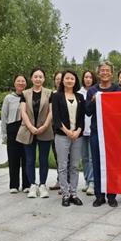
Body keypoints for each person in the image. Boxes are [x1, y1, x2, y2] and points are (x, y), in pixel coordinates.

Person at [86, 61, 121, 207]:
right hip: (96, 132)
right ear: (98, 73)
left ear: (112, 73)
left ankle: (112, 195)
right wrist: (93, 101)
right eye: (102, 70)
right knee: (96, 163)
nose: (105, 73)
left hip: (112, 133)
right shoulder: (92, 90)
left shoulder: (117, 89)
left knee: (112, 164)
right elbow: (87, 112)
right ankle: (99, 195)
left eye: (107, 70)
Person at [17, 68, 54, 199]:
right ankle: (32, 185)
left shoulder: (49, 93)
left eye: (40, 77)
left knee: (43, 159)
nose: (38, 79)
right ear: (31, 78)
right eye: (35, 76)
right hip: (28, 130)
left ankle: (42, 185)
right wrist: (31, 127)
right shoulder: (25, 93)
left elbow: (51, 112)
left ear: (44, 79)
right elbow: (23, 112)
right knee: (30, 159)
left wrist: (44, 126)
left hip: (45, 130)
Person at [51, 70, 86, 207]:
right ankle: (65, 194)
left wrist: (78, 131)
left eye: (72, 78)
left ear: (75, 81)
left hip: (77, 136)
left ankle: (73, 193)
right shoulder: (56, 96)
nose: (69, 80)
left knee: (75, 166)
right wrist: (67, 131)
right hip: (62, 135)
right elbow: (56, 118)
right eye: (67, 78)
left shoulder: (80, 97)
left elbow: (82, 118)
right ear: (62, 81)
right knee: (62, 165)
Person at [1, 74, 30, 193]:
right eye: (18, 81)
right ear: (14, 83)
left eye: (23, 81)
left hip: (25, 128)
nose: (21, 83)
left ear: (26, 83)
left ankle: (27, 185)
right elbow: (4, 116)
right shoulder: (8, 98)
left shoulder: (28, 96)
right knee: (13, 158)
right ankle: (14, 185)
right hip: (12, 129)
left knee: (26, 157)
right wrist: (4, 133)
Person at [78, 70, 96, 195]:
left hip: (92, 128)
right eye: (86, 77)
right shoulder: (79, 93)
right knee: (84, 157)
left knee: (91, 157)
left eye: (90, 77)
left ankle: (92, 182)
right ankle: (86, 180)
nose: (88, 79)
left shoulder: (96, 91)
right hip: (81, 129)